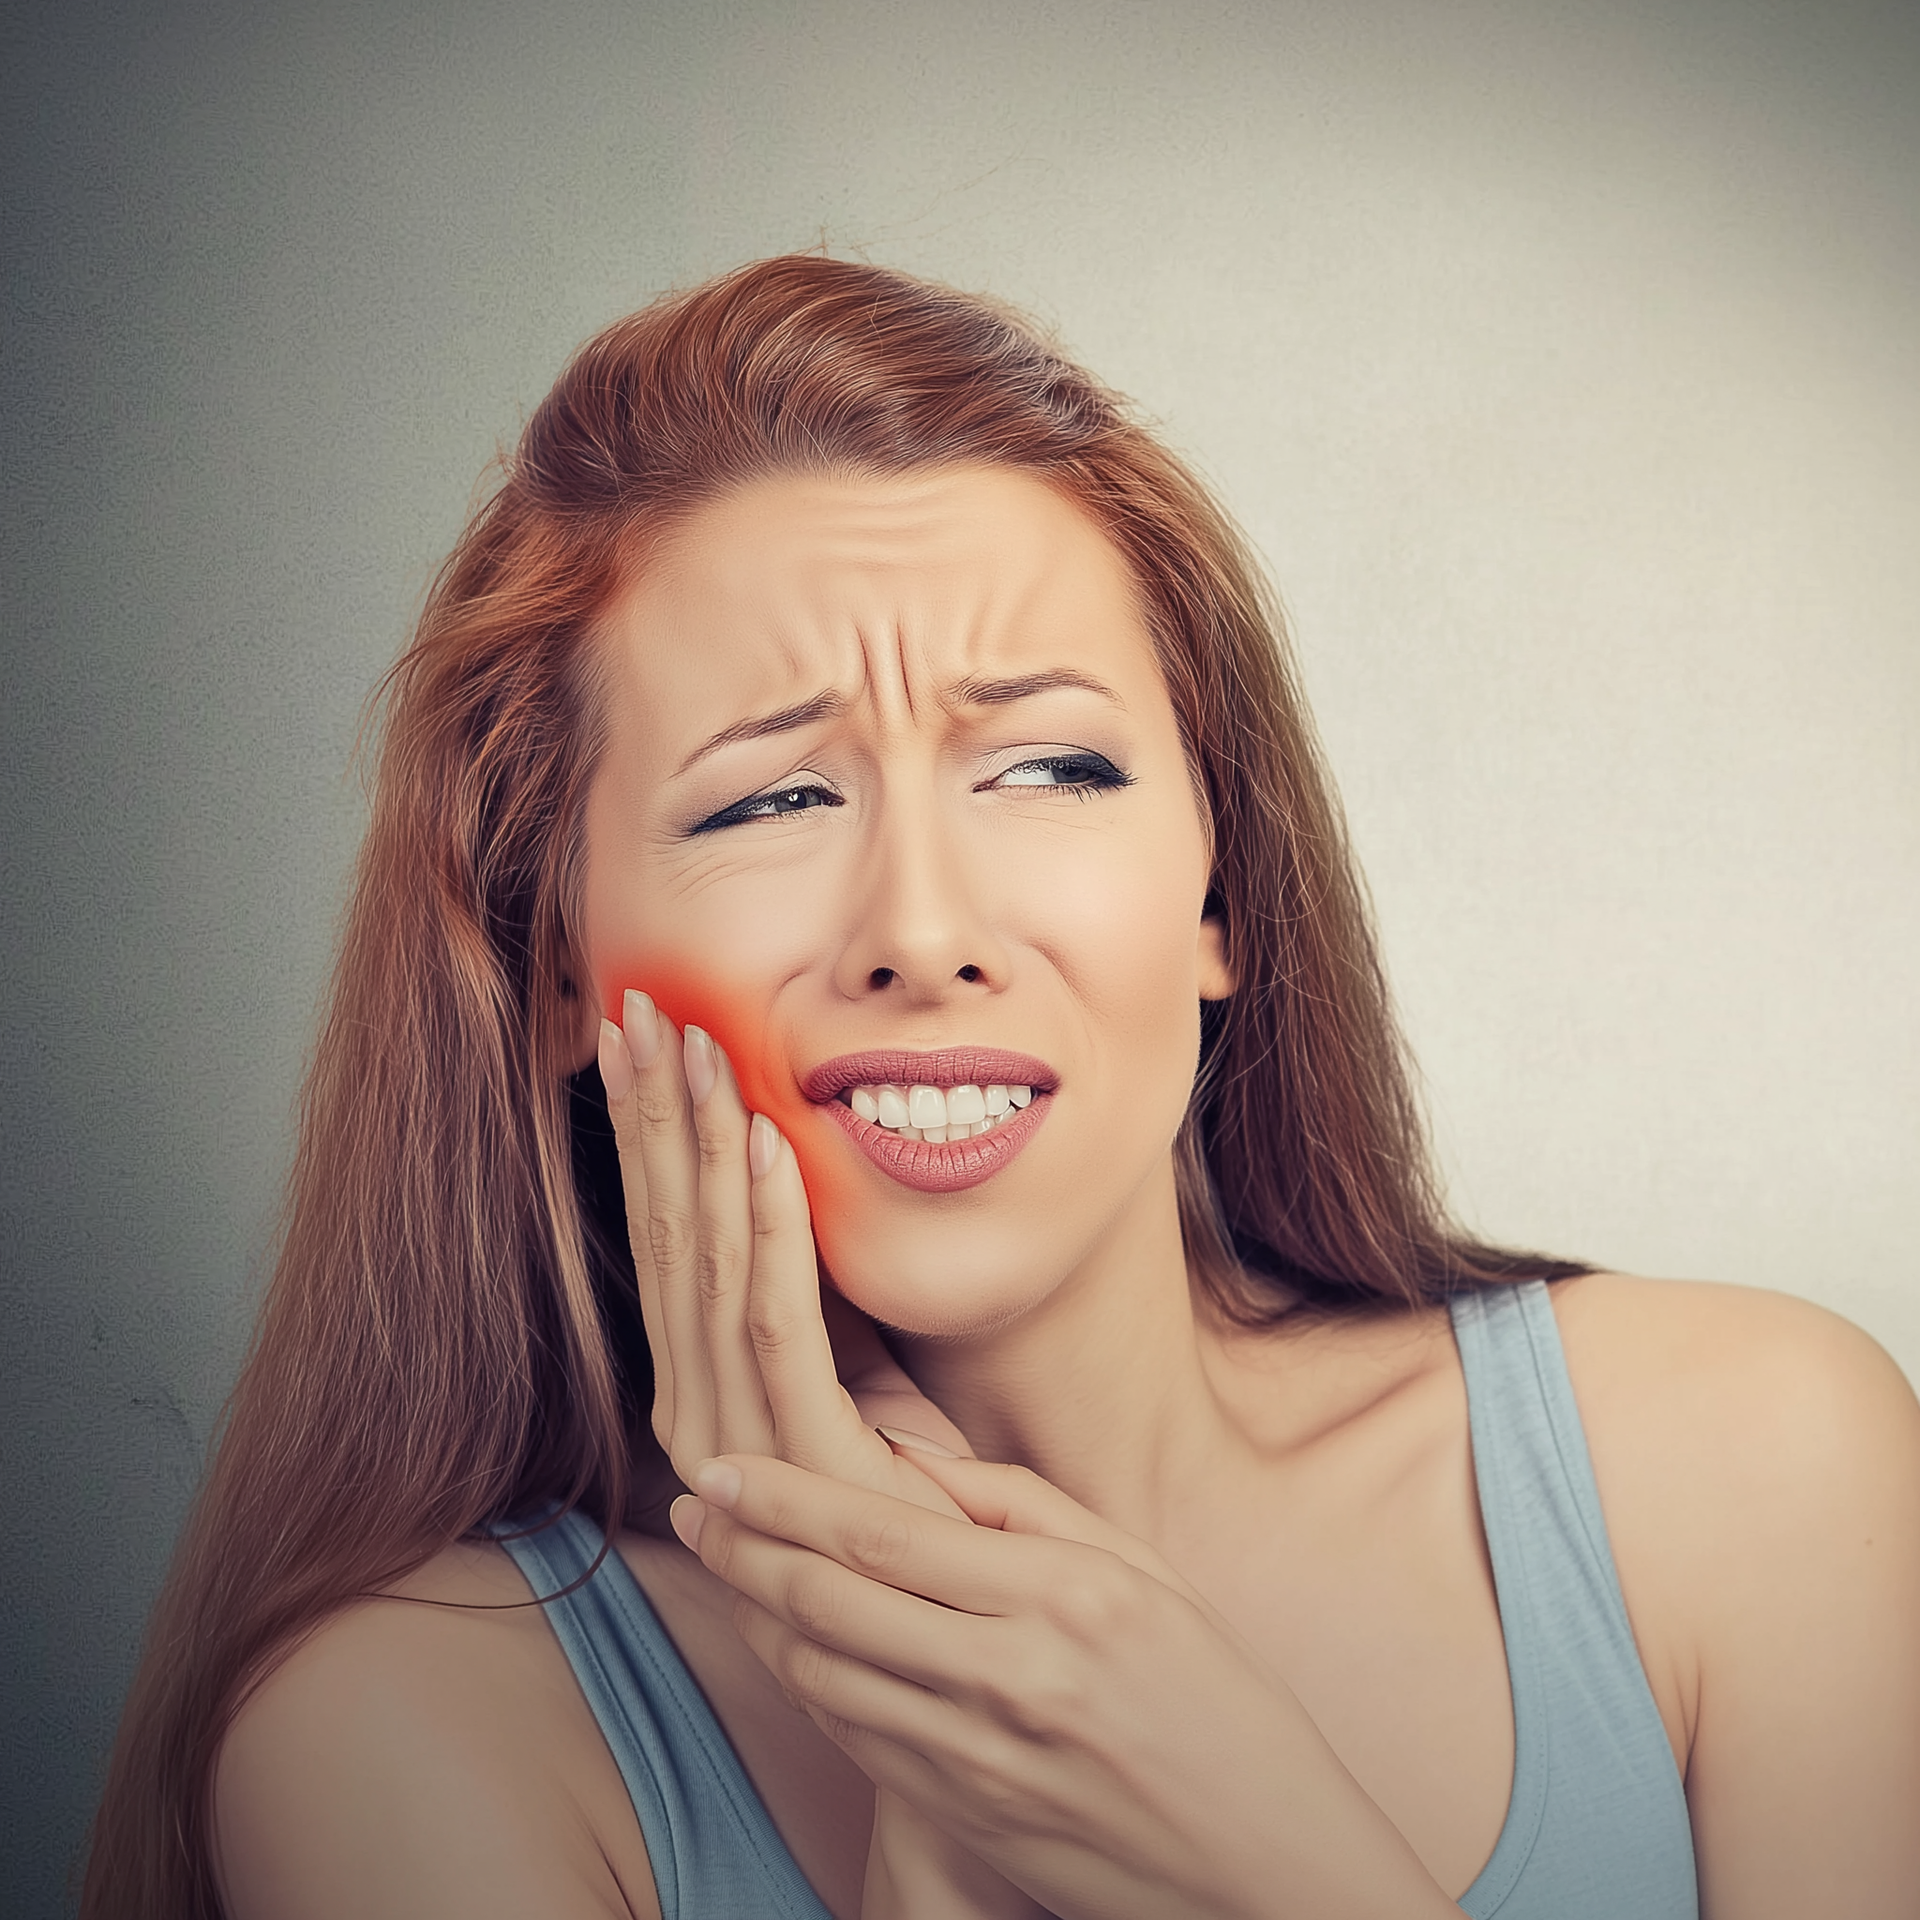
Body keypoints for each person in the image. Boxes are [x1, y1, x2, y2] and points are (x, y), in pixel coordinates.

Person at [82, 255, 1920, 1920]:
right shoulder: (404, 1735)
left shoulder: (1756, 1464)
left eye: (1045, 770)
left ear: (1216, 892)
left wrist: (1256, 1843)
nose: (927, 928)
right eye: (768, 800)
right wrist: (958, 1801)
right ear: (553, 965)